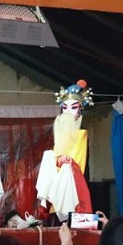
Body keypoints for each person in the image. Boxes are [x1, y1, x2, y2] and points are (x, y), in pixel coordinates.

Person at [36, 80, 93, 222]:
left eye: (73, 107)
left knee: (69, 214)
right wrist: (53, 160)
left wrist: (64, 161)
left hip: (72, 182)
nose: (68, 112)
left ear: (80, 110)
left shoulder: (81, 133)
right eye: (65, 108)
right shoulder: (59, 135)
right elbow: (56, 159)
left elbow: (77, 162)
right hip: (57, 182)